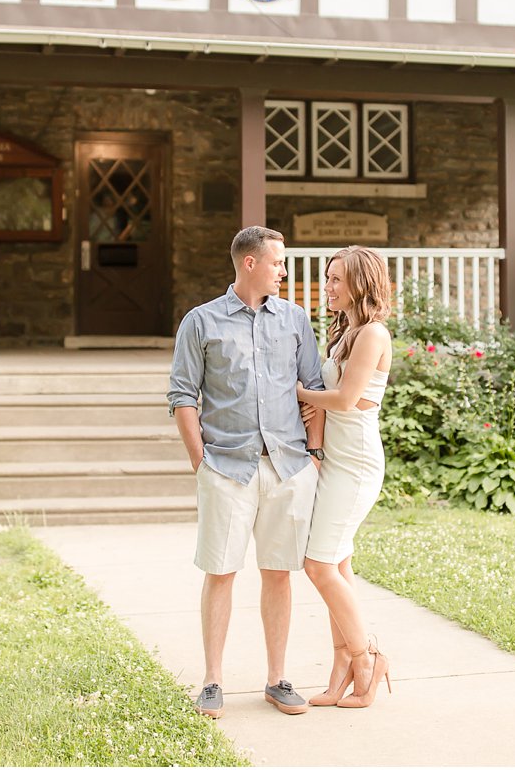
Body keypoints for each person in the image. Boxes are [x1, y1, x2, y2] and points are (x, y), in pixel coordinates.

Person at [167, 225, 327, 719]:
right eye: (278, 262)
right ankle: (212, 680)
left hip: (288, 467)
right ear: (250, 263)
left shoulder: (296, 319)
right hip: (227, 469)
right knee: (221, 572)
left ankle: (277, 679)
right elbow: (181, 396)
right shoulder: (201, 322)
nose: (284, 270)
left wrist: (314, 454)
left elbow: (314, 387)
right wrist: (202, 464)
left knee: (278, 574)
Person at [294, 245, 394, 709]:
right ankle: (341, 670)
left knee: (318, 565)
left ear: (360, 283)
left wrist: (300, 391)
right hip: (336, 460)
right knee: (338, 567)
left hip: (354, 465)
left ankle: (367, 658)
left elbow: (349, 399)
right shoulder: (346, 332)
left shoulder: (372, 333)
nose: (328, 287)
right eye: (328, 278)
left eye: (336, 279)